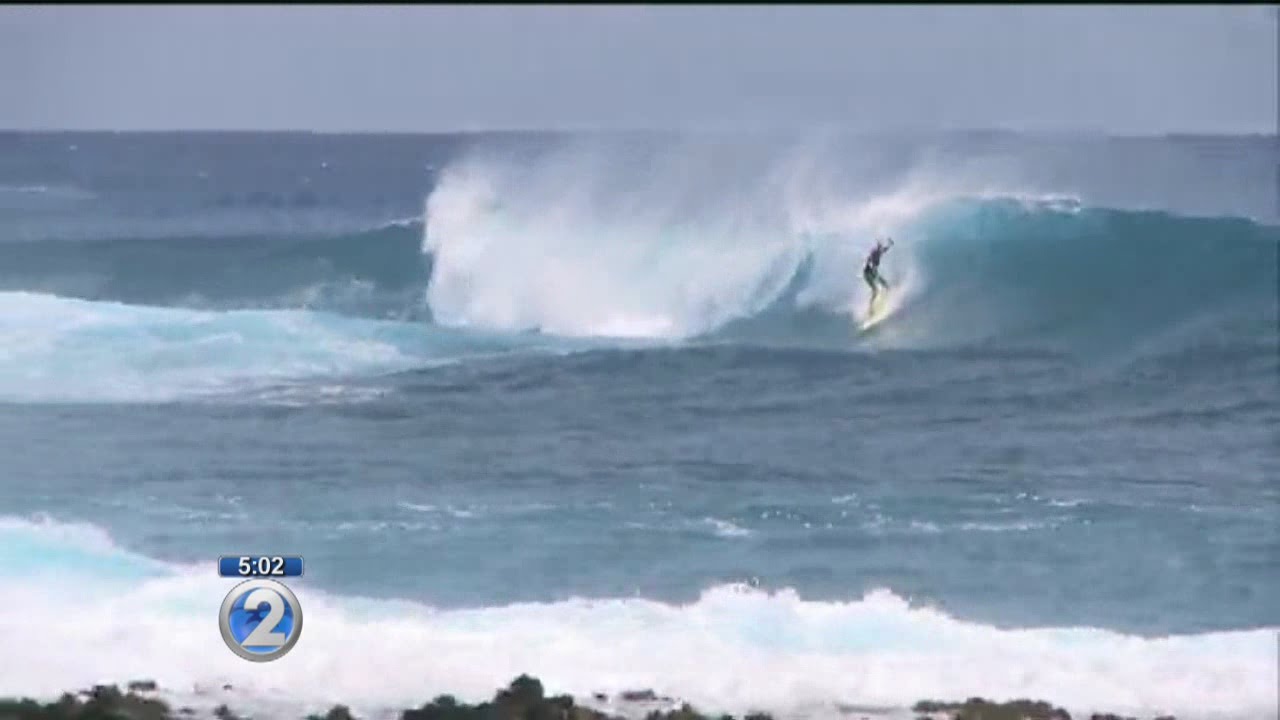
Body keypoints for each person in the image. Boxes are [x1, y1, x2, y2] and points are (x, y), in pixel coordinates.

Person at [863, 237, 893, 303]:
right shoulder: (874, 253)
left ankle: (874, 305)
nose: (882, 250)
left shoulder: (878, 252)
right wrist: (872, 267)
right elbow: (869, 260)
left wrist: (890, 244)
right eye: (880, 247)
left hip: (869, 273)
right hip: (869, 273)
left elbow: (884, 250)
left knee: (879, 288)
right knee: (881, 287)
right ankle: (873, 305)